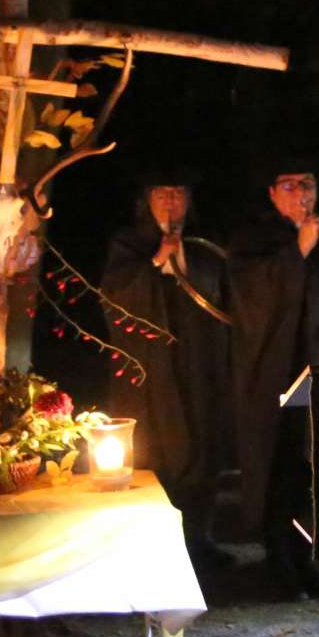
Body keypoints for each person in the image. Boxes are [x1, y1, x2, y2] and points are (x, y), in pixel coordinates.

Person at [101, 172, 233, 572]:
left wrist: (187, 263)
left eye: (179, 193)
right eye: (162, 193)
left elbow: (224, 290)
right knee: (158, 448)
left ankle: (198, 538)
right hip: (151, 369)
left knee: (201, 443)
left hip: (198, 362)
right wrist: (157, 262)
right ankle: (152, 546)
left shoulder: (206, 243)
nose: (171, 202)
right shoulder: (128, 243)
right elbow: (114, 295)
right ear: (148, 199)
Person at [229, 159, 319, 601]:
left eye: (307, 184)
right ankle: (279, 562)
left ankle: (309, 559)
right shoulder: (255, 240)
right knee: (277, 468)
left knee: (312, 471)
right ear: (272, 193)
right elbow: (252, 299)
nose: (300, 195)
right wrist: (298, 251)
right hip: (273, 373)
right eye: (289, 185)